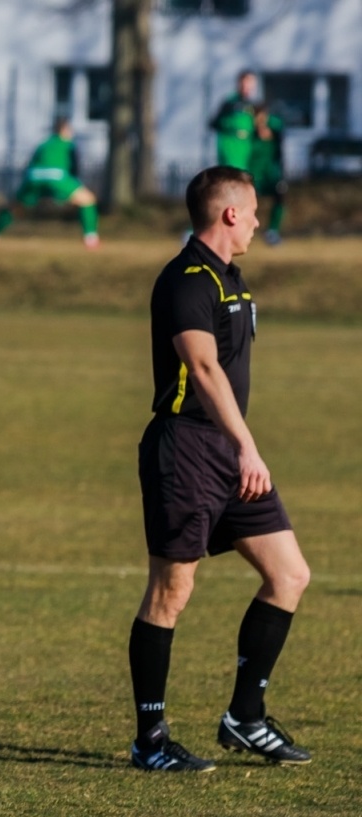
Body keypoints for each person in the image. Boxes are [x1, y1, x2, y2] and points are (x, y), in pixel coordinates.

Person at [127, 166, 312, 773]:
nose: (259, 221)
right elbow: (202, 368)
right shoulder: (186, 279)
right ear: (230, 213)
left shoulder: (232, 277)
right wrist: (247, 445)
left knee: (288, 575)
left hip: (230, 452)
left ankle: (245, 718)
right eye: (253, 211)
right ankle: (150, 740)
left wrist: (240, 449)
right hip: (186, 448)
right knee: (172, 590)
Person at [0, 117, 100, 249]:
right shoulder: (68, 144)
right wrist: (69, 189)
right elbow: (74, 168)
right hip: (57, 177)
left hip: (33, 177)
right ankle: (91, 238)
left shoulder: (43, 144)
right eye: (70, 130)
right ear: (64, 130)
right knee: (88, 200)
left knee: (15, 207)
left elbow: (31, 164)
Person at [248, 106, 287, 245]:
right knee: (246, 204)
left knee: (280, 196)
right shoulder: (250, 135)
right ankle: (244, 230)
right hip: (253, 176)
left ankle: (272, 231)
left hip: (271, 175)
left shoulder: (275, 133)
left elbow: (280, 125)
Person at [212, 71, 261, 172]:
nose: (248, 87)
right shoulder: (230, 103)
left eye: (251, 84)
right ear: (239, 83)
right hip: (231, 149)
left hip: (247, 151)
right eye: (246, 82)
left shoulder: (253, 105)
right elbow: (215, 123)